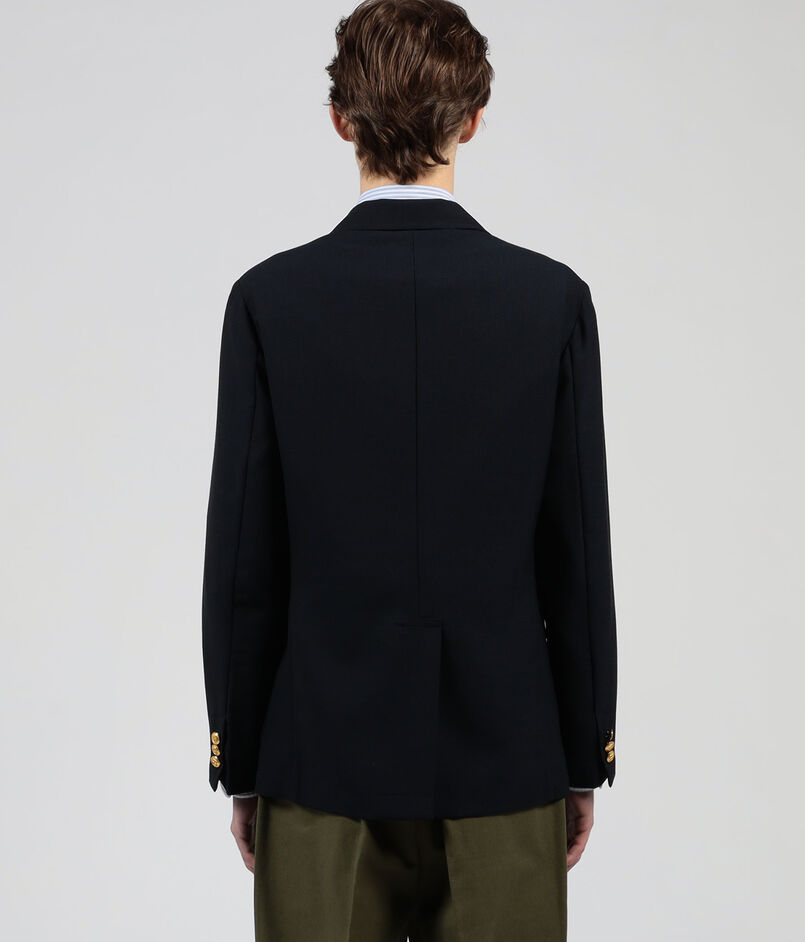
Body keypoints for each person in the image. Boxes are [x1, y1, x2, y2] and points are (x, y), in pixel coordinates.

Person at [201, 1, 618, 939]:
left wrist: (242, 762)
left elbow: (243, 563)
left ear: (340, 120)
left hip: (318, 765)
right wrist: (580, 755)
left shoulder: (270, 300)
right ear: (472, 119)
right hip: (507, 763)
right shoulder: (549, 301)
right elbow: (576, 549)